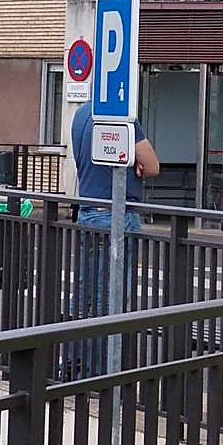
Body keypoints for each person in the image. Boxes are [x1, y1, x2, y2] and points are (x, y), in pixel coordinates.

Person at [68, 100, 160, 375]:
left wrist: (130, 161)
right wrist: (136, 163)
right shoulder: (122, 115)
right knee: (111, 296)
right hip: (116, 214)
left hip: (87, 210)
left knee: (84, 294)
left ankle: (74, 363)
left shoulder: (81, 114)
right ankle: (100, 371)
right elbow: (153, 165)